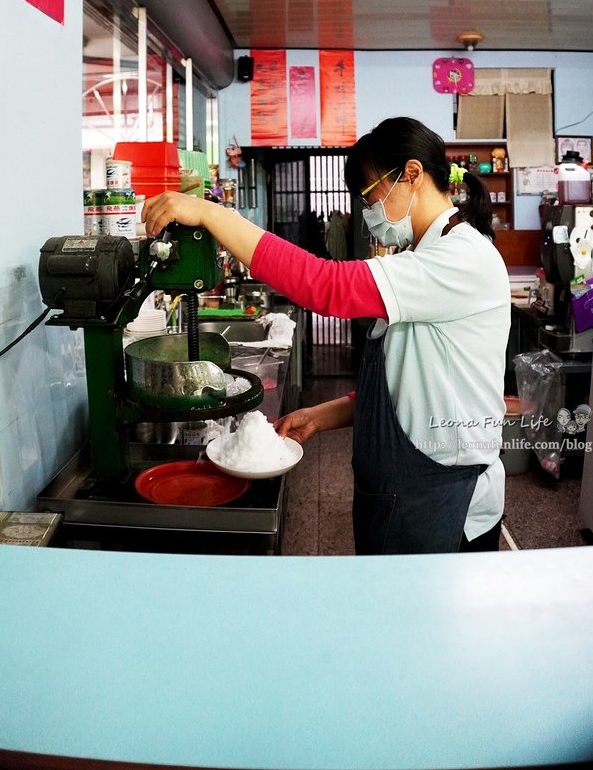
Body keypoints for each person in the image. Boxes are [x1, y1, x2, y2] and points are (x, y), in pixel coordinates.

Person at [142, 116, 511, 555]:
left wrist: (211, 213)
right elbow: (411, 378)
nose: (369, 212)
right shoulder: (424, 254)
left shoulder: (459, 258)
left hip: (441, 499)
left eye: (371, 196)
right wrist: (324, 415)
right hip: (403, 488)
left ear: (412, 175)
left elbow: (326, 285)